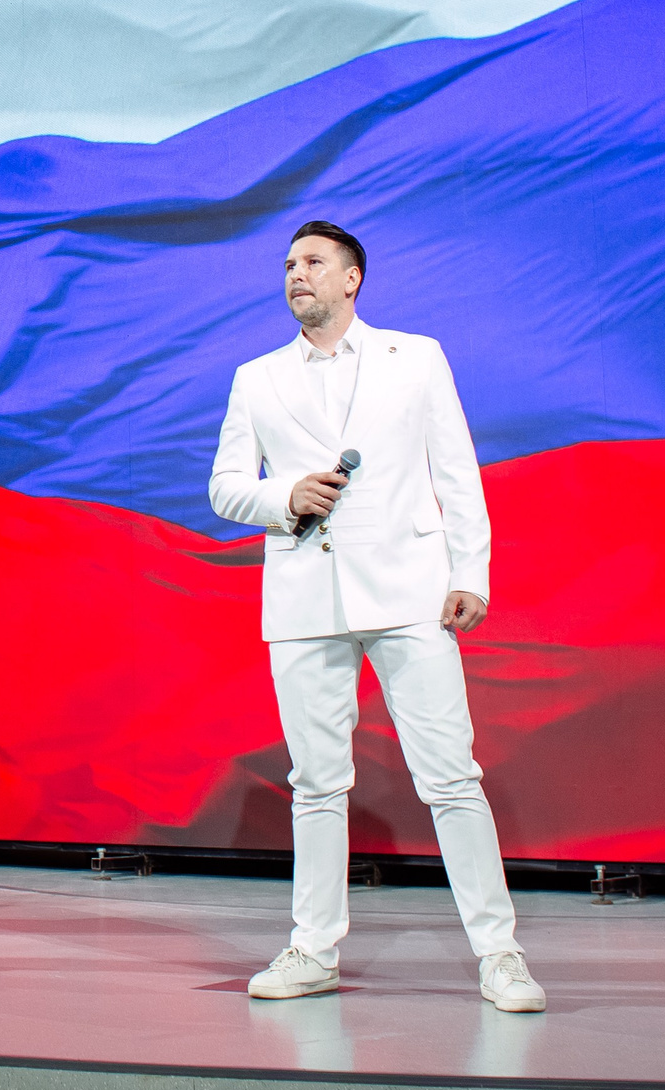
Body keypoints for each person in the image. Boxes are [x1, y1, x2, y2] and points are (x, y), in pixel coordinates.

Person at [208, 221, 545, 1011]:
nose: (297, 275)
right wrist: (280, 497)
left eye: (314, 262)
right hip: (304, 598)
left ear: (352, 278)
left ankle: (500, 954)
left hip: (408, 591)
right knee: (316, 785)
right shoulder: (257, 377)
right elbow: (226, 486)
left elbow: (456, 470)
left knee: (452, 778)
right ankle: (313, 948)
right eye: (289, 264)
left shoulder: (415, 357)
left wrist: (472, 573)